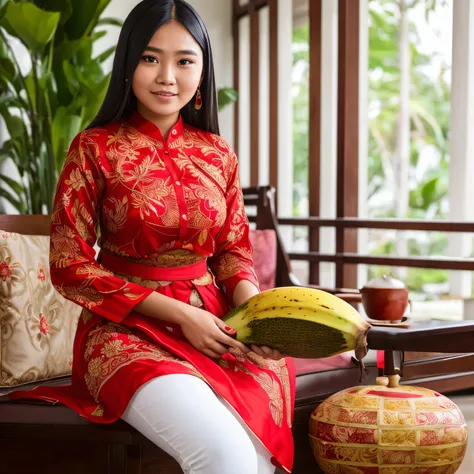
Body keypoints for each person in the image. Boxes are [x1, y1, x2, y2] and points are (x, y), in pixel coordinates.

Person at [10, 1, 295, 473]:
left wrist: (255, 319)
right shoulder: (93, 148)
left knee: (258, 456)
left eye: (185, 61)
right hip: (124, 333)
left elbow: (233, 253)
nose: (167, 75)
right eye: (150, 58)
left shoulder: (218, 154)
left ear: (202, 72)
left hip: (217, 328)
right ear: (128, 64)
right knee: (224, 455)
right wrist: (180, 314)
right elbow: (69, 265)